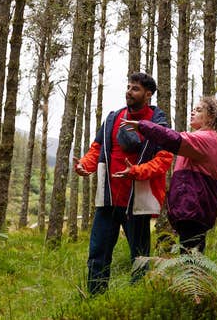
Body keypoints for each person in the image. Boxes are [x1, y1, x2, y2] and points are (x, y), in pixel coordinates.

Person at [73, 72, 172, 294]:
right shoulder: (112, 118)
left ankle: (138, 299)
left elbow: (164, 159)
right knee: (98, 253)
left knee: (140, 257)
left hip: (136, 204)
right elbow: (97, 149)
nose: (129, 92)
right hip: (108, 200)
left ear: (148, 95)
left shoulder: (158, 124)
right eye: (128, 87)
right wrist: (84, 166)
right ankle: (96, 300)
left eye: (135, 88)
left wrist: (136, 171)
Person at [121, 96, 217, 253]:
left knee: (190, 263)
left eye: (199, 110)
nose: (193, 111)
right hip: (192, 209)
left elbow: (173, 139)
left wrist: (143, 126)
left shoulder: (206, 138)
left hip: (194, 209)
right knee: (190, 260)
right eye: (193, 108)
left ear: (211, 117)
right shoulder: (206, 138)